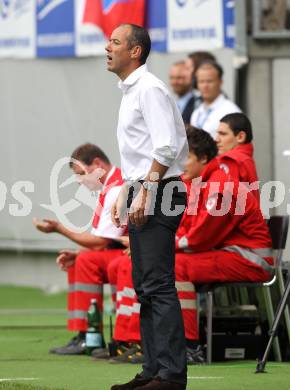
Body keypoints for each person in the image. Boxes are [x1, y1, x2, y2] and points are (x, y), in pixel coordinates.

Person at [106, 23, 188, 390]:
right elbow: (139, 153)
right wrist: (127, 190)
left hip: (160, 189)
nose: (108, 48)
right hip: (146, 186)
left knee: (157, 284)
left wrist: (145, 191)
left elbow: (166, 146)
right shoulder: (131, 91)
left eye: (116, 42)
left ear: (135, 51)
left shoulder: (149, 89)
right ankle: (153, 370)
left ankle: (171, 375)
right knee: (144, 285)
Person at [174, 128, 273, 349]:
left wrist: (166, 247)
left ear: (203, 158)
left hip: (250, 260)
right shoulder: (202, 183)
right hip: (232, 254)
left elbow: (200, 237)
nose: (180, 165)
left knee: (175, 266)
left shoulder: (220, 186)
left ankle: (187, 347)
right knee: (162, 263)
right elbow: (188, 228)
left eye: (185, 158)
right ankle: (159, 342)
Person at [33, 143, 125, 355]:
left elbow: (100, 242)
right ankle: (85, 335)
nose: (79, 181)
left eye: (81, 174)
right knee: (79, 261)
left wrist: (59, 229)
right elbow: (101, 240)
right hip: (119, 250)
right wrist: (77, 253)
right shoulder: (108, 188)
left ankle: (90, 337)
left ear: (97, 164)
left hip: (131, 252)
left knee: (86, 260)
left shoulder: (117, 188)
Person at [190, 61, 241, 139]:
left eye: (209, 81)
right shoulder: (196, 113)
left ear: (220, 82)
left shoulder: (231, 111)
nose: (205, 86)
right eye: (201, 81)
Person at [216, 112, 260, 202]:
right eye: (217, 133)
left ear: (240, 137)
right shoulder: (245, 158)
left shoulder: (230, 159)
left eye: (223, 134)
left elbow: (223, 202)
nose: (216, 139)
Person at [169, 61, 196, 125]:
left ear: (190, 78)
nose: (174, 82)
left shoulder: (198, 103)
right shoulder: (171, 103)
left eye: (179, 78)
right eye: (172, 78)